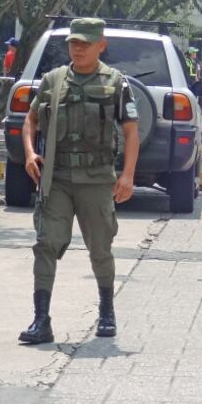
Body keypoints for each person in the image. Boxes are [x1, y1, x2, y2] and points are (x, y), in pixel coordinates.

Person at [18, 18, 140, 344]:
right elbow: (29, 121)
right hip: (56, 178)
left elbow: (130, 131)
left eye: (86, 42)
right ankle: (41, 320)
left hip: (97, 179)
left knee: (100, 248)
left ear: (101, 45)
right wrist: (30, 153)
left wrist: (127, 175)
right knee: (46, 243)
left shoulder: (116, 82)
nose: (79, 48)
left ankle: (107, 312)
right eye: (74, 42)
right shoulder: (52, 80)